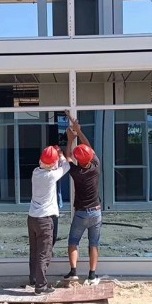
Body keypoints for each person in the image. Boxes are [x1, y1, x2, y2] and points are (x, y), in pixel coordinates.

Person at [27, 145, 70, 295]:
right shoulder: (51, 176)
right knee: (44, 253)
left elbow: (49, 165)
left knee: (35, 251)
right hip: (45, 220)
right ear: (53, 164)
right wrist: (62, 155)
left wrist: (54, 157)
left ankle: (34, 279)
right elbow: (66, 166)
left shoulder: (36, 172)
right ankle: (41, 287)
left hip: (32, 218)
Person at [64, 120, 102, 285]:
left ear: (78, 160)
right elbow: (88, 148)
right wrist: (78, 131)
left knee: (73, 241)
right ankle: (92, 275)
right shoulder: (95, 167)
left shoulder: (76, 172)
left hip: (81, 213)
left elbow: (67, 157)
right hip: (96, 211)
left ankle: (73, 272)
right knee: (94, 243)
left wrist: (70, 140)